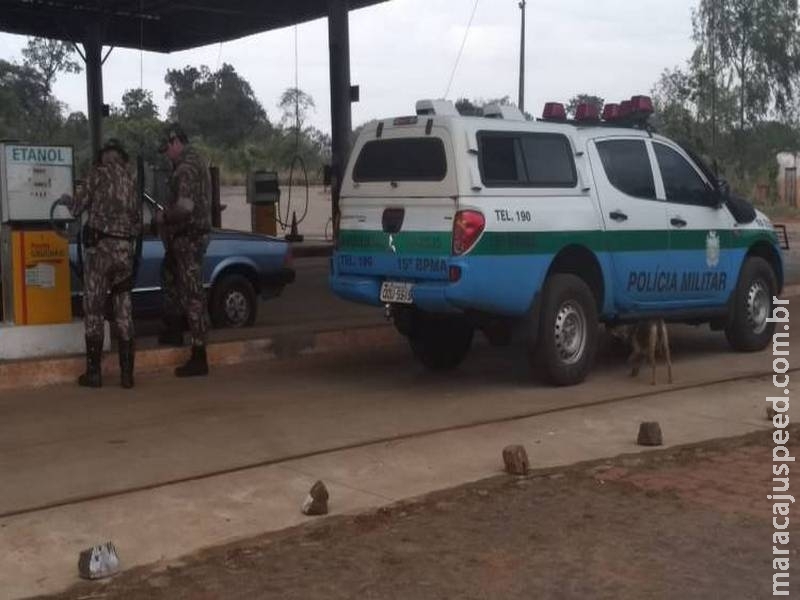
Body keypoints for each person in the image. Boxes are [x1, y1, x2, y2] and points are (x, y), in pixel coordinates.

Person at [61, 139, 141, 388]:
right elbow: (137, 222)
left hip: (99, 255)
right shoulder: (130, 181)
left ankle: (94, 373)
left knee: (94, 310)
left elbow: (76, 208)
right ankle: (127, 375)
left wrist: (66, 199)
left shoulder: (96, 175)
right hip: (124, 253)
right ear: (121, 156)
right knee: (124, 311)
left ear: (104, 156)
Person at [156, 124, 212, 377]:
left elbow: (185, 207)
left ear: (176, 141)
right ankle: (174, 329)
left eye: (167, 147)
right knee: (169, 275)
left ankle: (199, 355)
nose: (167, 153)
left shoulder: (186, 169)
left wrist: (163, 218)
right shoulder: (197, 161)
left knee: (192, 293)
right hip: (189, 237)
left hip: (188, 238)